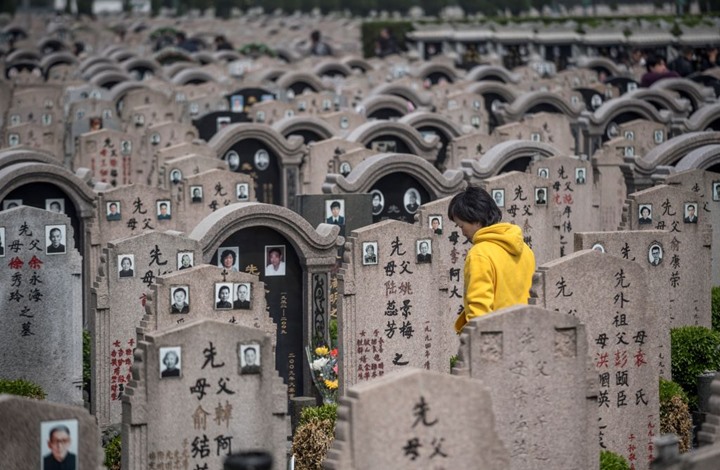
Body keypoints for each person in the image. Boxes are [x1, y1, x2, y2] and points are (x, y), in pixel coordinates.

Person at [448, 186, 535, 334]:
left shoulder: (479, 254)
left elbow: (479, 313)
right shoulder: (525, 249)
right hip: (526, 334)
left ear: (476, 220)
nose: (462, 232)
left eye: (462, 226)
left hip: (497, 341)